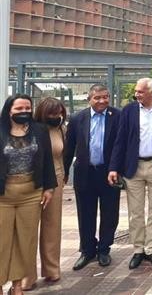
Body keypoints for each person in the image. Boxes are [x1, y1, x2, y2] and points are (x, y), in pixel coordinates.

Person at [108, 78, 152, 269]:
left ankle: (151, 249)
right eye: (136, 91)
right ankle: (138, 249)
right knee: (135, 212)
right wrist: (113, 167)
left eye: (140, 92)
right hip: (133, 168)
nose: (136, 95)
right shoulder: (129, 110)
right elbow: (120, 140)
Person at [0, 94, 57, 295]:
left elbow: (48, 161)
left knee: (26, 242)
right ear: (9, 110)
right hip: (3, 195)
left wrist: (49, 187)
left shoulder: (39, 131)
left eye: (27, 108)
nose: (24, 112)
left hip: (31, 194)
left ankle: (17, 285)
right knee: (3, 242)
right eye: (19, 109)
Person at [63, 85, 121, 272]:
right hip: (85, 173)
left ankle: (104, 249)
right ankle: (87, 250)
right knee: (85, 213)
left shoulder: (117, 116)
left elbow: (121, 146)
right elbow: (69, 147)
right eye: (97, 98)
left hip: (109, 173)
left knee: (110, 213)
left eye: (105, 97)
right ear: (89, 99)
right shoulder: (78, 118)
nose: (102, 101)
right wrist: (64, 172)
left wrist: (116, 168)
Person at [21, 97, 67, 290]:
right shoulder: (29, 130)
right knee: (28, 230)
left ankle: (52, 269)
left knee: (52, 227)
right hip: (32, 182)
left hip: (55, 180)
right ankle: (26, 277)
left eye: (59, 113)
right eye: (52, 114)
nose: (56, 117)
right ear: (42, 113)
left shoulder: (61, 130)